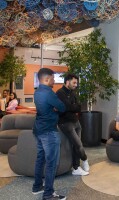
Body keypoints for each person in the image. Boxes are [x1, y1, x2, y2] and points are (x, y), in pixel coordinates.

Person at [32, 68, 66, 200]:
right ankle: (48, 194)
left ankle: (37, 187)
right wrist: (55, 108)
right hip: (49, 132)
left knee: (40, 159)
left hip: (39, 130)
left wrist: (53, 108)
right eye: (53, 78)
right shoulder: (49, 93)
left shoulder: (37, 92)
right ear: (47, 79)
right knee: (52, 163)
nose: (54, 80)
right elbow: (62, 107)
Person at [56, 73, 89, 176]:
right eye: (74, 82)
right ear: (67, 82)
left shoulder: (74, 93)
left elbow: (79, 107)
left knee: (77, 145)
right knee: (78, 144)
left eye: (76, 83)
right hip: (65, 123)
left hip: (76, 122)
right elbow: (65, 108)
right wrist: (71, 107)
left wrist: (71, 107)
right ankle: (84, 159)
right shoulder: (60, 93)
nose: (76, 85)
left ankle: (76, 168)